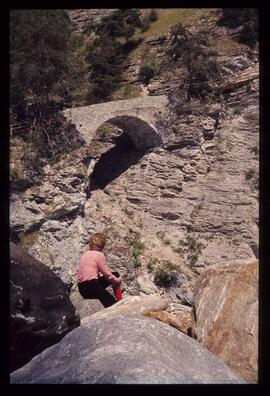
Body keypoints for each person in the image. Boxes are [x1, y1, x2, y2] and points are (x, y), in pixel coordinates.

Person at [77, 233, 123, 308]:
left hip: (82, 288)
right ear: (102, 246)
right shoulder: (99, 255)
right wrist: (118, 281)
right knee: (113, 305)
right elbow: (108, 275)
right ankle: (120, 300)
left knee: (115, 274)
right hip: (92, 286)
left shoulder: (85, 254)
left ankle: (119, 300)